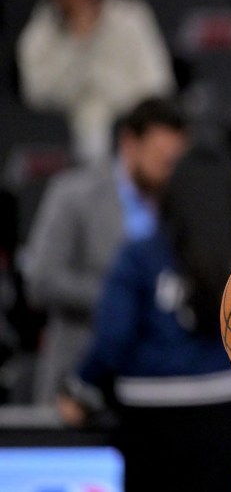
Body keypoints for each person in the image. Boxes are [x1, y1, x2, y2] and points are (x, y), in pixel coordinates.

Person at [56, 142, 231, 492]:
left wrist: (79, 389)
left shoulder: (141, 256)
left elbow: (113, 337)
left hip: (149, 416)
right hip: (222, 413)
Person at [21, 97, 188, 405]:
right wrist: (122, 299)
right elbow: (42, 280)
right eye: (159, 157)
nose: (167, 171)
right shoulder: (73, 194)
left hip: (154, 384)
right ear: (129, 142)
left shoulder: (181, 203)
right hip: (78, 371)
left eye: (173, 162)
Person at [16, 0, 176, 165]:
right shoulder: (42, 29)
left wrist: (111, 95)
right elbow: (35, 92)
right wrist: (78, 45)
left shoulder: (131, 17)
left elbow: (158, 84)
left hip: (127, 124)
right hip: (64, 131)